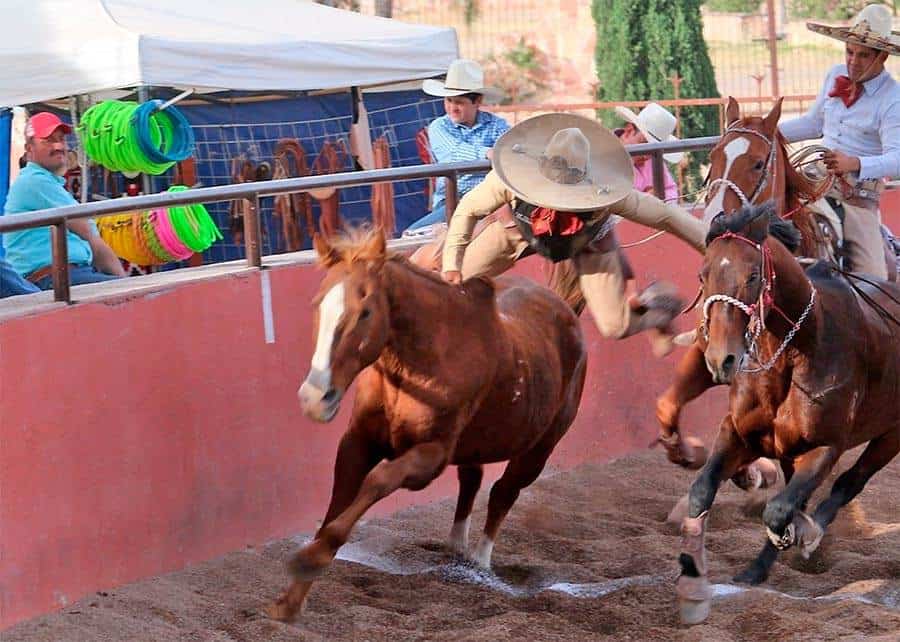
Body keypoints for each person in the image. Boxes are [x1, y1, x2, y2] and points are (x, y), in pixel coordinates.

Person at [440, 113, 708, 357]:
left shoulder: (607, 191)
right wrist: (452, 264)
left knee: (615, 326)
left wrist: (711, 243)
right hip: (519, 231)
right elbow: (467, 210)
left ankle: (659, 313)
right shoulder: (508, 177)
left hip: (587, 242)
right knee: (451, 285)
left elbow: (667, 215)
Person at [779, 3, 900, 279]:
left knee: (875, 280)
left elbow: (897, 158)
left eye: (863, 55)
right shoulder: (835, 74)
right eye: (849, 52)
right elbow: (813, 124)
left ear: (882, 57)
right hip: (812, 180)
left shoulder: (893, 98)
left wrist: (854, 163)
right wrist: (766, 131)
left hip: (856, 197)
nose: (853, 61)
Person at [2, 112, 126, 289]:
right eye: (48, 140)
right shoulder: (35, 180)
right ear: (29, 150)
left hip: (65, 276)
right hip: (54, 279)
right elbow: (89, 234)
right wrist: (125, 285)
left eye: (61, 139)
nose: (59, 145)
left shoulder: (44, 182)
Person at [404, 59, 510, 233]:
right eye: (448, 101)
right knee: (411, 235)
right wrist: (488, 153)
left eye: (459, 102)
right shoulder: (439, 126)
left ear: (477, 101)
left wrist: (495, 155)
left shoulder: (497, 125)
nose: (452, 108)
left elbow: (507, 151)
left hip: (491, 200)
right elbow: (453, 154)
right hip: (454, 202)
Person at [615, 103, 682, 203]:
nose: (647, 156)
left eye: (652, 151)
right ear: (629, 131)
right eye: (643, 143)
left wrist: (659, 195)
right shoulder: (604, 151)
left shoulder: (654, 158)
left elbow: (671, 189)